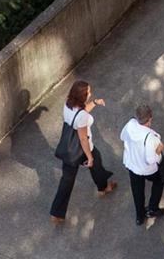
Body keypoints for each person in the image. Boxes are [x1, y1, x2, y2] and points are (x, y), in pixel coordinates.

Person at [49, 80, 117, 223]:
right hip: (82, 150)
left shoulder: (68, 104)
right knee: (96, 162)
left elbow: (80, 111)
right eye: (89, 92)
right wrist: (89, 157)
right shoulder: (82, 117)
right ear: (82, 96)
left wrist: (95, 103)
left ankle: (57, 213)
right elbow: (83, 138)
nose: (91, 93)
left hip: (69, 150)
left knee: (67, 180)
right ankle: (104, 187)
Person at [120, 104, 164, 225]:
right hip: (147, 169)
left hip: (132, 165)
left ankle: (139, 216)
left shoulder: (130, 124)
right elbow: (151, 159)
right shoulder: (151, 137)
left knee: (137, 191)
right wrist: (159, 149)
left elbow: (122, 136)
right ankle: (152, 208)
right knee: (159, 181)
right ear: (150, 118)